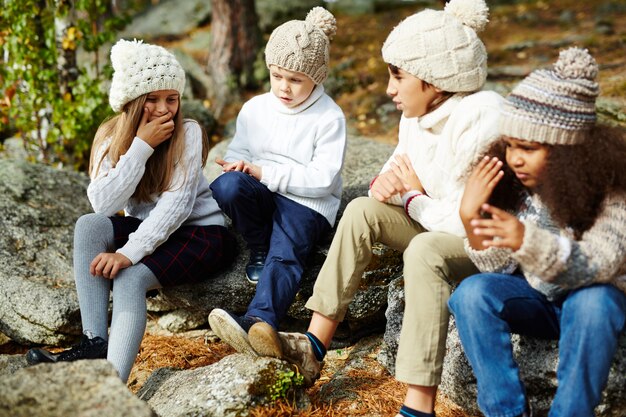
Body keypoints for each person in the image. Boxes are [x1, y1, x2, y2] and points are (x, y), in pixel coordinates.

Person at [248, 1, 504, 416]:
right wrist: (391, 188)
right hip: (434, 221)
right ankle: (314, 345)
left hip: (482, 246)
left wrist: (411, 197)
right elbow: (389, 176)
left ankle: (419, 404)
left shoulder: (482, 117)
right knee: (363, 210)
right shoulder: (416, 114)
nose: (389, 89)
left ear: (435, 79)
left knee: (425, 250)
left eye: (398, 75)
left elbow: (467, 219)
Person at [25, 39, 237, 383]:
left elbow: (177, 206)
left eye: (172, 98)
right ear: (131, 103)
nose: (164, 109)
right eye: (151, 100)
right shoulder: (110, 136)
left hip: (200, 234)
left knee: (130, 276)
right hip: (148, 230)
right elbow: (103, 205)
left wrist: (127, 254)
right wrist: (141, 147)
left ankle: (112, 387)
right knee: (89, 224)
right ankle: (94, 342)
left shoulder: (189, 131)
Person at [448, 47, 626, 417]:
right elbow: (498, 272)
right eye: (510, 144)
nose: (514, 158)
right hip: (539, 299)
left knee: (596, 300)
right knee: (471, 294)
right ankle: (506, 411)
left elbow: (601, 262)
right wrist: (471, 219)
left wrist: (527, 240)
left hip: (590, 302)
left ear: (566, 151)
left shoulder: (611, 188)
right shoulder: (517, 184)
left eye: (528, 148)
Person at [207, 7, 347, 355]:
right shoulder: (255, 108)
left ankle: (259, 323)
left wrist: (264, 172)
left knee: (286, 255)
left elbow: (323, 179)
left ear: (317, 77)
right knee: (227, 187)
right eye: (277, 75)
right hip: (264, 192)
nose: (284, 87)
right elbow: (241, 150)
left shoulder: (328, 117)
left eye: (296, 79)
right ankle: (259, 247)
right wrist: (237, 166)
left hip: (306, 203)